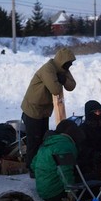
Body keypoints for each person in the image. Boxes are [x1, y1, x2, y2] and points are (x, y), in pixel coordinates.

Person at [21, 48, 76, 178]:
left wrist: (63, 78)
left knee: (42, 140)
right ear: (61, 61)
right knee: (33, 141)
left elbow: (72, 86)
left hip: (44, 110)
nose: (70, 66)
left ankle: (39, 165)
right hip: (33, 109)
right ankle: (32, 168)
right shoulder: (48, 69)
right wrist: (61, 80)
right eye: (68, 63)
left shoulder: (62, 69)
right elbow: (55, 89)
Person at [31, 119, 85, 201]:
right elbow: (65, 171)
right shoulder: (65, 145)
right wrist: (71, 191)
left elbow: (33, 165)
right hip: (57, 194)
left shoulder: (47, 143)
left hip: (42, 191)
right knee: (89, 179)